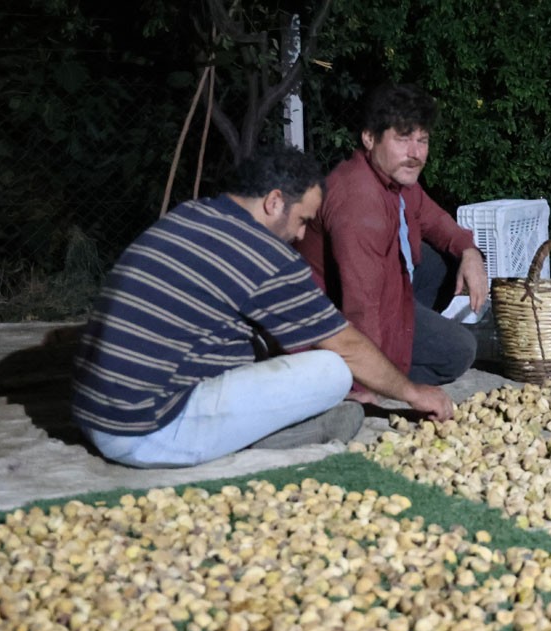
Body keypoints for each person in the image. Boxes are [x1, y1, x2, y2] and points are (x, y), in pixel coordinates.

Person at [71, 143, 455, 469]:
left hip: (92, 415)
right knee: (333, 370)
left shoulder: (192, 214)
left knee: (263, 341)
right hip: (147, 433)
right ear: (274, 202)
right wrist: (413, 393)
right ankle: (266, 436)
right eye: (302, 220)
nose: (302, 234)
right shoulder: (264, 253)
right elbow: (346, 345)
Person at [296, 82, 487, 394]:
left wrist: (469, 252)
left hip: (383, 289)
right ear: (369, 138)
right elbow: (362, 306)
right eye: (403, 139)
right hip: (331, 318)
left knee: (444, 263)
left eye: (422, 140)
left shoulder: (397, 178)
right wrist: (368, 386)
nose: (415, 154)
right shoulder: (360, 201)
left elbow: (435, 220)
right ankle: (359, 372)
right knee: (458, 351)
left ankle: (401, 333)